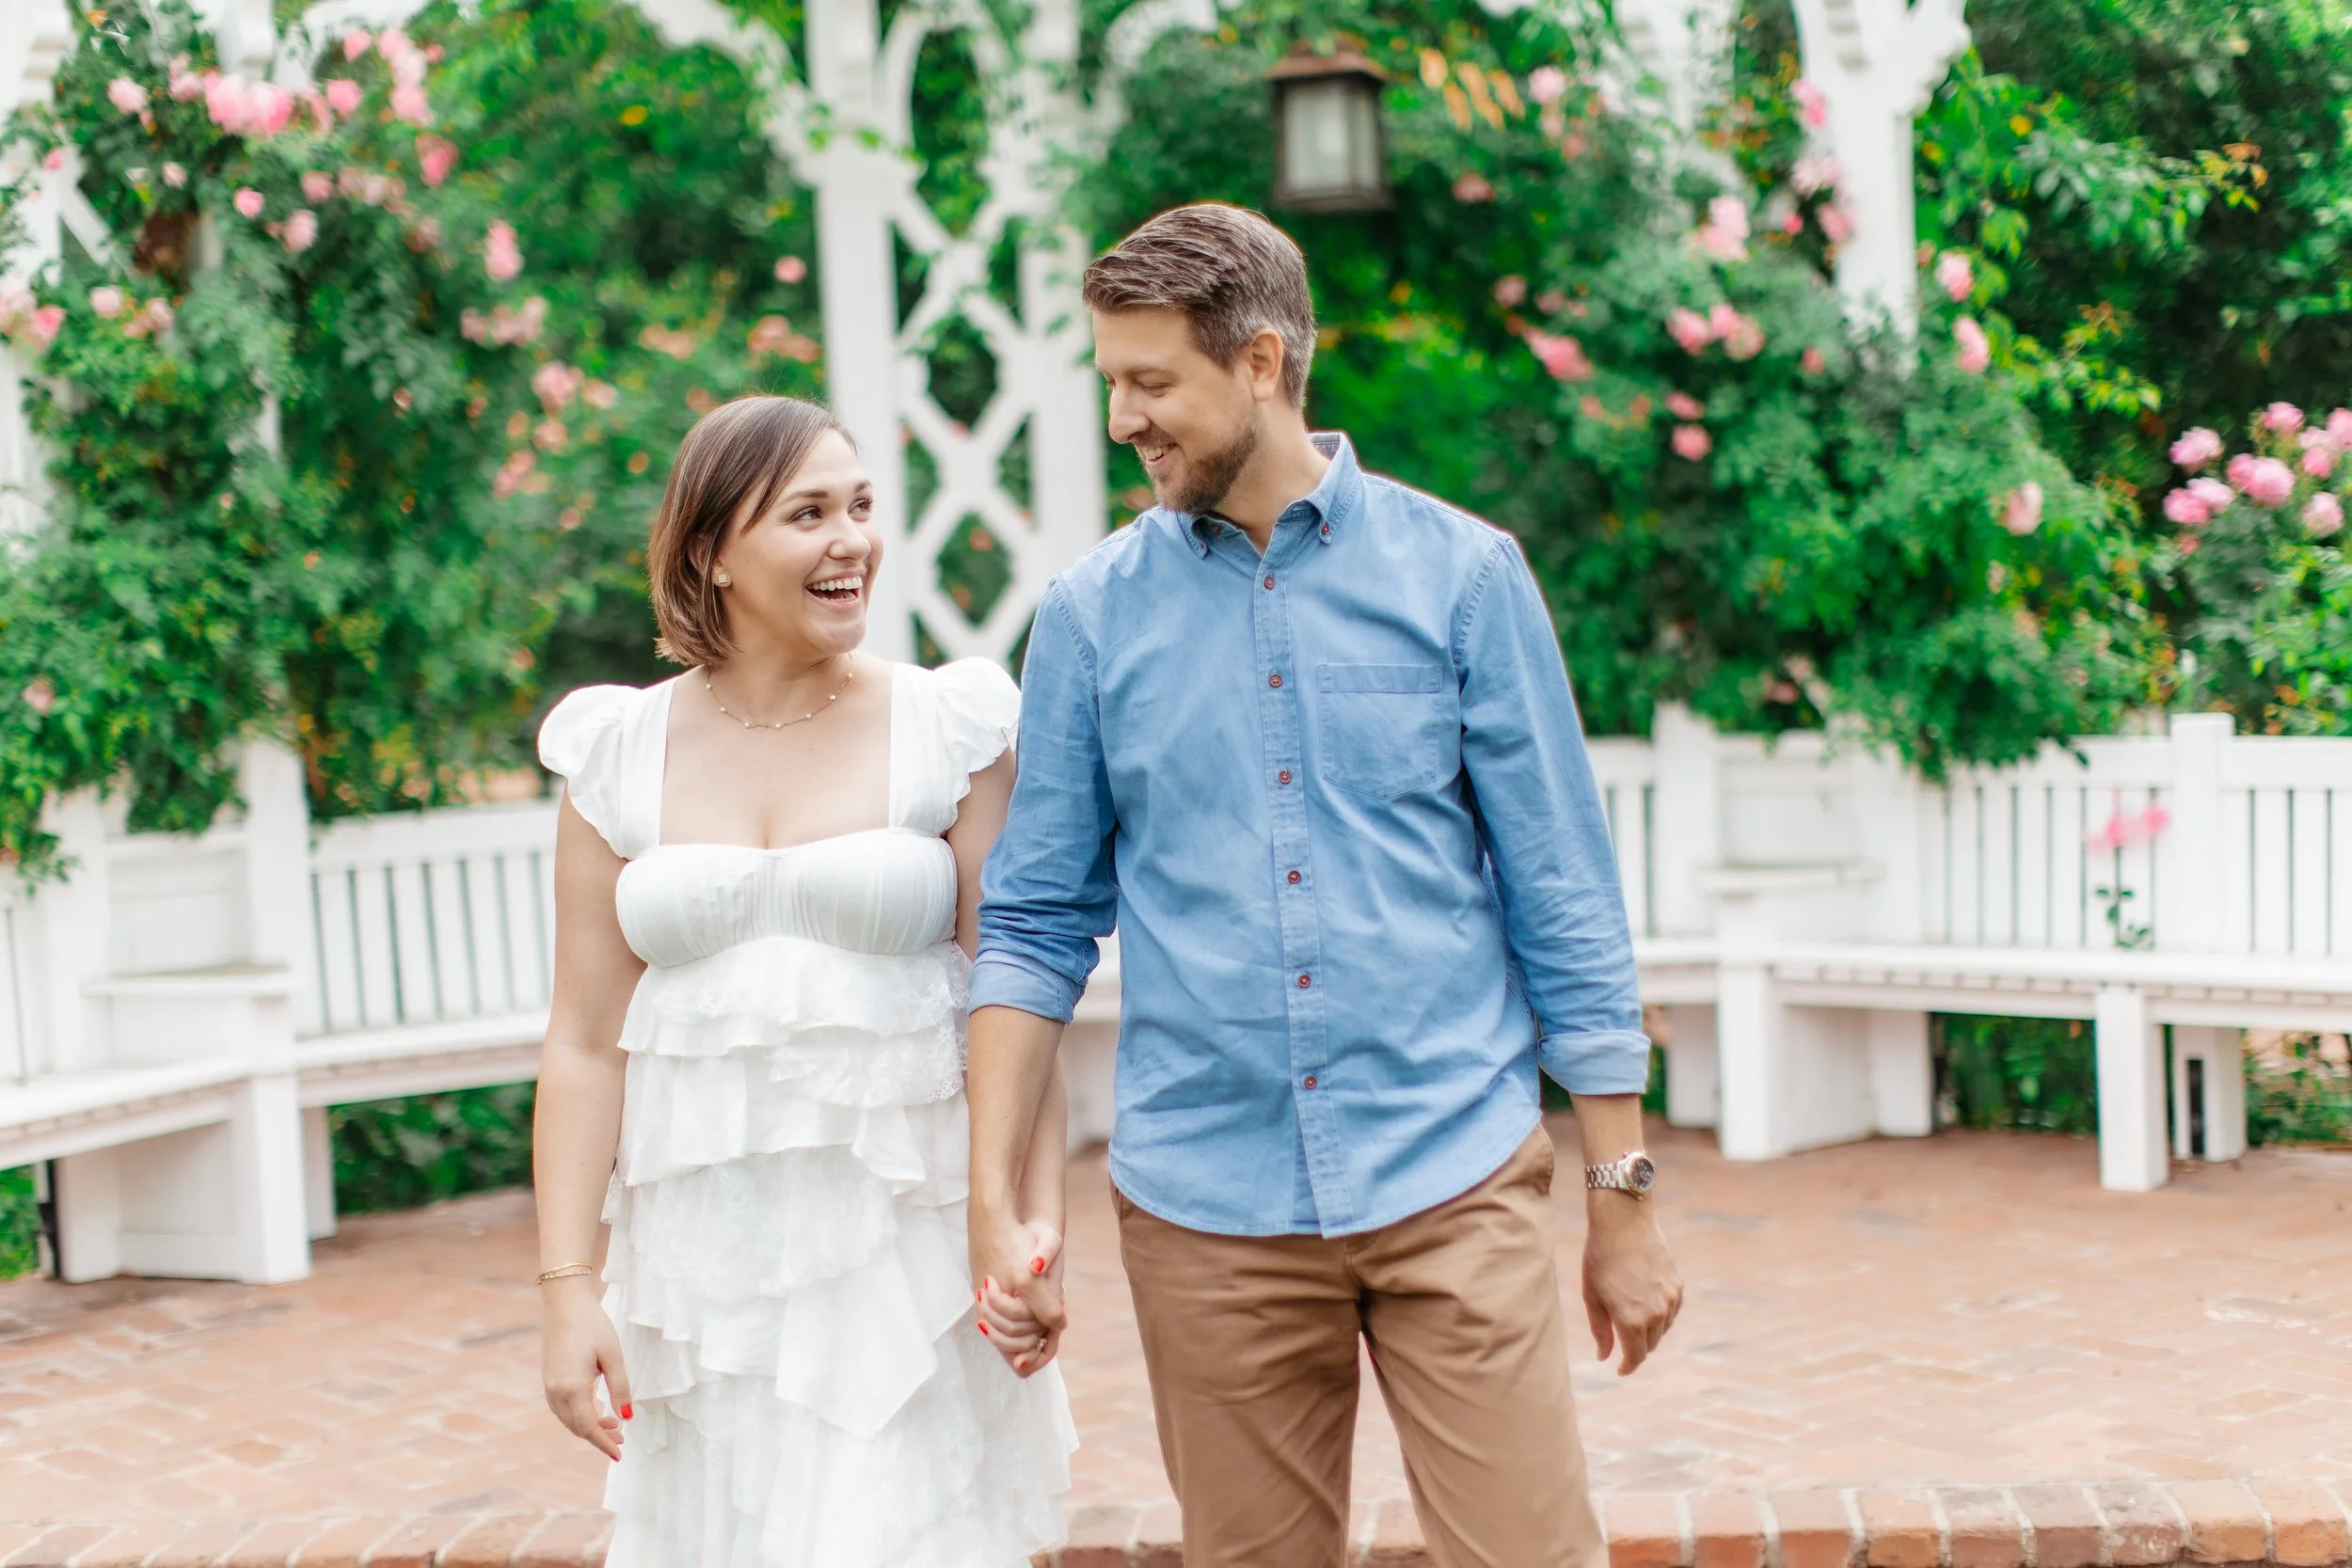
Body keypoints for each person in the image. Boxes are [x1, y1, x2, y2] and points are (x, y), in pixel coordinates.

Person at [963, 204, 1684, 1568]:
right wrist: (991, 1197)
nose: (1125, 416)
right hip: (1207, 1209)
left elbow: (1563, 894)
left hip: (1452, 1172)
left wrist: (1623, 1195)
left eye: (1152, 380)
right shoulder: (1090, 616)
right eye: (1111, 379)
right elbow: (1034, 922)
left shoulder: (1464, 578)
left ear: (1261, 360)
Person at [530, 394, 1075, 1568]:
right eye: (808, 513)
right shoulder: (613, 753)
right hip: (699, 1272)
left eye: (861, 508)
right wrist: (570, 1290)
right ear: (713, 552)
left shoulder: (951, 726)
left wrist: (1032, 1226)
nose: (851, 541)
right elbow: (581, 1040)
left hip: (907, 1260)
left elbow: (1015, 995)